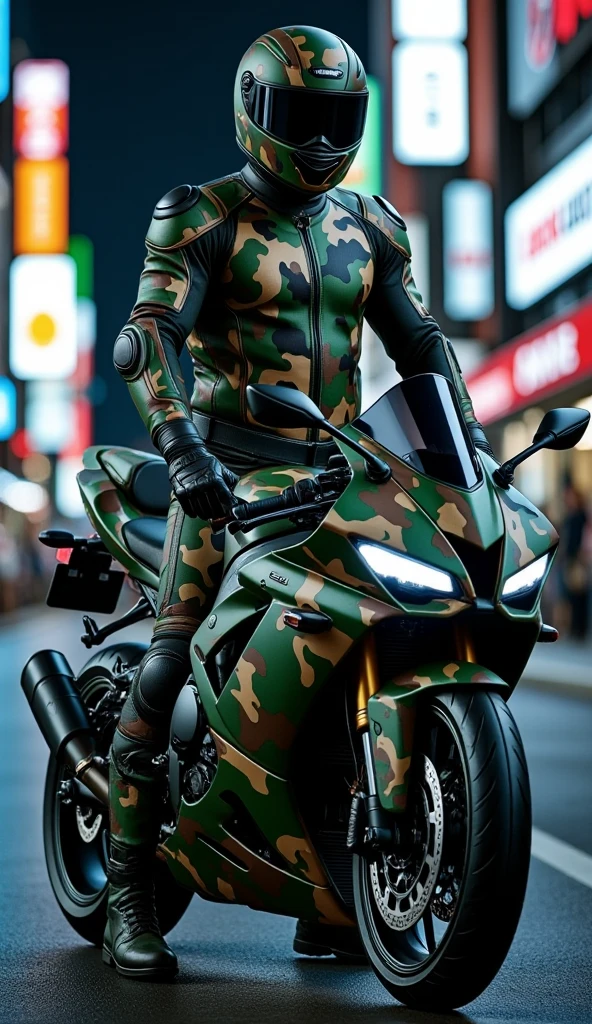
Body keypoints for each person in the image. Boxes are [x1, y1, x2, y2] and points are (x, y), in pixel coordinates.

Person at [106, 24, 494, 979]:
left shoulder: (373, 226)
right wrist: (181, 445)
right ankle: (126, 895)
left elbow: (422, 347)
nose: (321, 138)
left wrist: (469, 445)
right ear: (251, 110)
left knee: (354, 643)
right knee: (167, 663)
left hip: (338, 469)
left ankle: (329, 893)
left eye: (338, 119)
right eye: (301, 116)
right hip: (222, 471)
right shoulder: (202, 217)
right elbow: (146, 336)